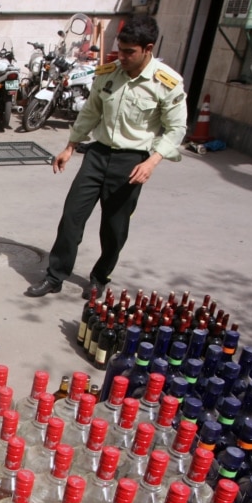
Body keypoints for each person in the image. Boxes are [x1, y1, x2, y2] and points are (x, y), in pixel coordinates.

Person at [25, 15, 187, 298]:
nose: (121, 57)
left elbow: (176, 129)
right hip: (97, 155)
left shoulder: (166, 83)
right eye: (120, 49)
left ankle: (100, 277)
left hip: (132, 161)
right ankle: (55, 276)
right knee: (72, 217)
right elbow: (91, 112)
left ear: (148, 49)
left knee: (114, 228)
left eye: (129, 52)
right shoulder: (108, 73)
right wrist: (71, 145)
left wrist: (152, 161)